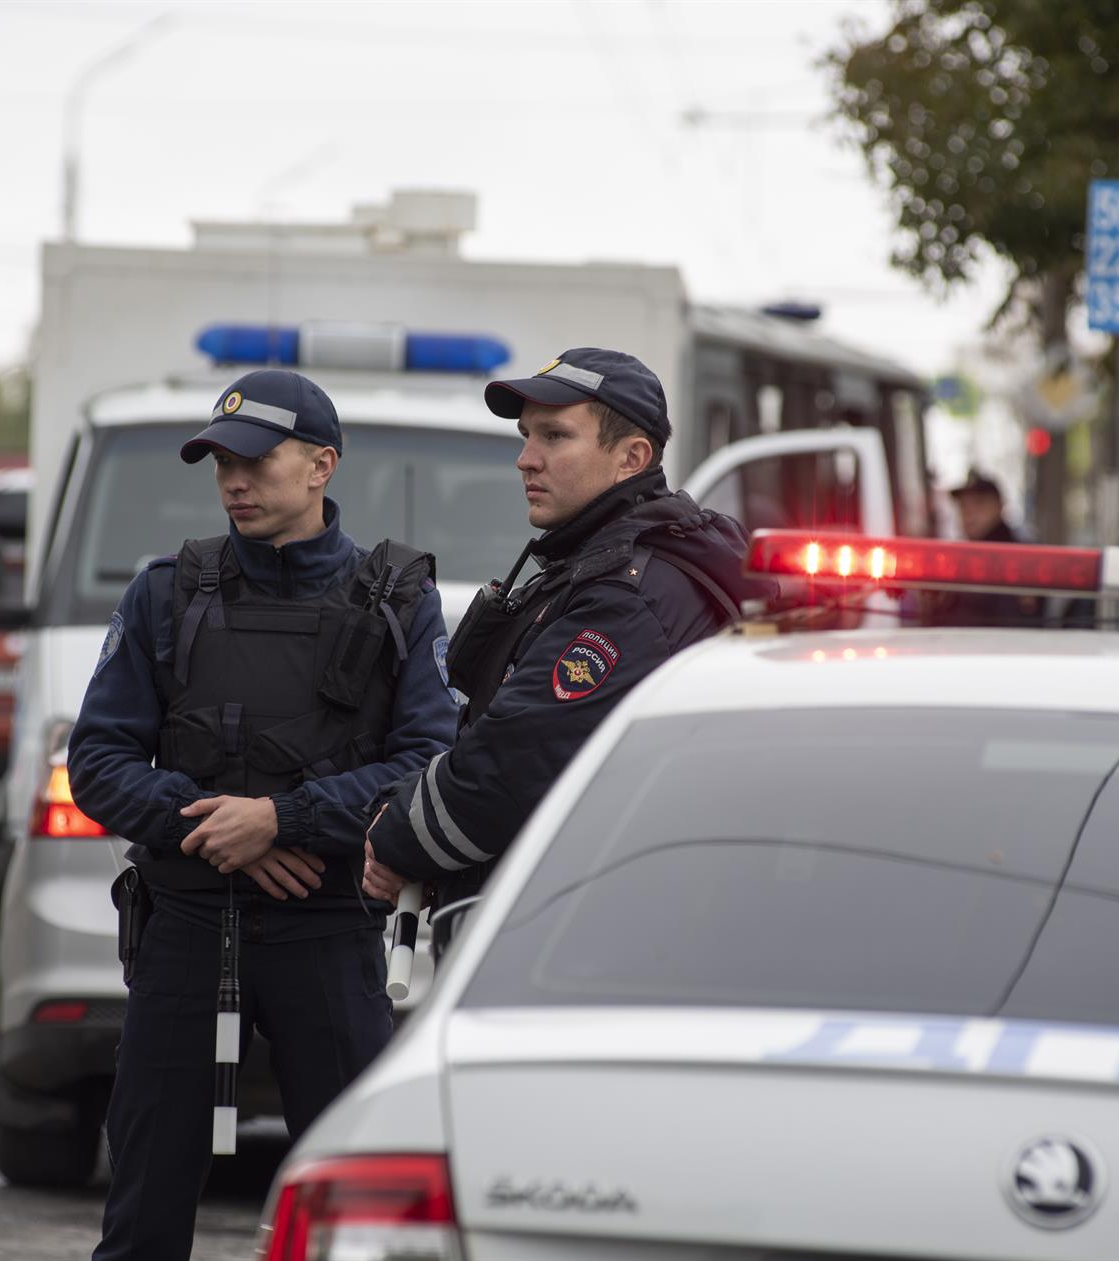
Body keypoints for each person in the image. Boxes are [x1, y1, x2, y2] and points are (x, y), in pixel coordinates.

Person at [69, 368, 458, 1261]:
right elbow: (96, 762)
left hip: (324, 932)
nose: (233, 480)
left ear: (322, 464)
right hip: (187, 925)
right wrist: (224, 833)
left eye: (256, 459)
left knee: (356, 1204)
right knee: (143, 1213)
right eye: (219, 463)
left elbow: (430, 763)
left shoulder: (396, 598)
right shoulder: (167, 591)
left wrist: (284, 819)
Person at [359, 347, 761, 943]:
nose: (525, 459)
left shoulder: (629, 595)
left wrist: (395, 836)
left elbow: (515, 761)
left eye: (554, 436)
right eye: (526, 437)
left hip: (581, 933)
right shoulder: (597, 561)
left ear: (632, 458)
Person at [921, 470, 1044, 628]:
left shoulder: (1022, 558)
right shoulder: (959, 559)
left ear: (999, 505)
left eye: (979, 503)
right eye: (963, 505)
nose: (969, 512)